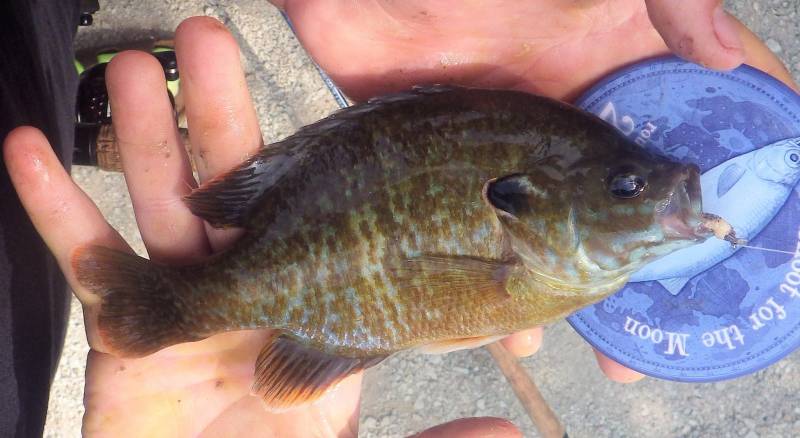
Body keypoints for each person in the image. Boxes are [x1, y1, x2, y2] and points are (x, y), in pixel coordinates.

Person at [1, 1, 796, 436]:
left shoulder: (552, 239)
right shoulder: (550, 262)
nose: (658, 190)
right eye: (626, 185)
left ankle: (59, 81)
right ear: (529, 204)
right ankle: (68, 94)